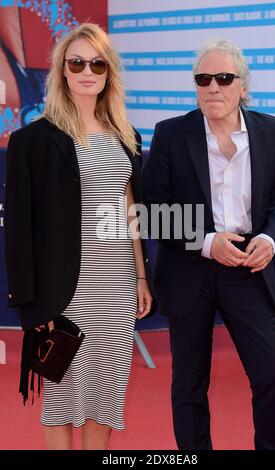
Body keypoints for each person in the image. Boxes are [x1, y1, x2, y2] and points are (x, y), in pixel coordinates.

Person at [4, 23, 153, 450]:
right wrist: (34, 304)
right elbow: (18, 230)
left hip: (118, 288)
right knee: (60, 395)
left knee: (104, 399)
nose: (87, 71)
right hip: (63, 292)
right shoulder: (33, 140)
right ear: (63, 71)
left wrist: (142, 278)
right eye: (77, 62)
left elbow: (130, 215)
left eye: (97, 63)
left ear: (109, 73)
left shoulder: (129, 137)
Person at [143, 38, 275, 450]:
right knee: (189, 386)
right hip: (190, 268)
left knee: (272, 375)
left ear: (243, 86)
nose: (213, 87)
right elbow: (152, 210)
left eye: (224, 78)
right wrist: (207, 242)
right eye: (203, 78)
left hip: (248, 266)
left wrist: (268, 238)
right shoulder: (171, 133)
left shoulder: (272, 131)